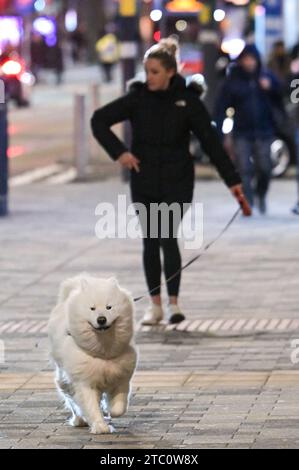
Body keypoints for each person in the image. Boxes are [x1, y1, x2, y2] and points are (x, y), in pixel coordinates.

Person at [91, 38, 249, 326]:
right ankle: (155, 306)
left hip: (178, 181)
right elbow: (99, 120)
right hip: (145, 180)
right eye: (147, 71)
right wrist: (121, 153)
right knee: (151, 240)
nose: (149, 77)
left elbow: (212, 145)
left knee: (167, 235)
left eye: (154, 72)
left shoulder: (187, 102)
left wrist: (233, 181)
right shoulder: (137, 100)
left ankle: (174, 304)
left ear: (170, 73)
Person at [215, 44, 283, 214]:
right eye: (246, 59)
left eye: (252, 59)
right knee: (244, 168)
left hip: (264, 130)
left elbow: (282, 93)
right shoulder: (233, 80)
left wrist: (271, 87)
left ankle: (261, 194)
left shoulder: (266, 76)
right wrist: (220, 133)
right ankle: (249, 201)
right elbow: (221, 106)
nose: (249, 63)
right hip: (241, 132)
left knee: (265, 167)